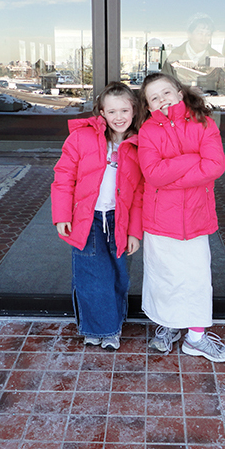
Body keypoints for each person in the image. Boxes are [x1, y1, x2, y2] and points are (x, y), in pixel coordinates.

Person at [137, 72, 225, 362]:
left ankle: (196, 338)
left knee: (196, 278)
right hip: (159, 220)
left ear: (179, 93)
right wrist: (192, 159)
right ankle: (167, 326)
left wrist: (170, 174)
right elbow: (152, 174)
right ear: (149, 106)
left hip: (195, 217)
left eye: (166, 92)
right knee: (162, 276)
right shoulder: (148, 132)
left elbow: (215, 166)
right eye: (154, 97)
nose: (162, 100)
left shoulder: (204, 123)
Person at [51, 82, 143, 350]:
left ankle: (111, 327)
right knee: (91, 274)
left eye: (124, 110)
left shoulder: (139, 144)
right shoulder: (81, 138)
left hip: (119, 219)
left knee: (117, 274)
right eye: (111, 111)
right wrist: (62, 215)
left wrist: (134, 232)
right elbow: (63, 177)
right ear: (101, 112)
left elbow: (139, 193)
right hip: (87, 219)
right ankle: (95, 328)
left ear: (134, 110)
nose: (118, 117)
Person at [162, 13, 225, 93]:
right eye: (200, 33)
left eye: (207, 34)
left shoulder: (218, 59)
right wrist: (186, 92)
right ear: (189, 34)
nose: (203, 38)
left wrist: (212, 94)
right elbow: (163, 85)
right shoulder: (174, 58)